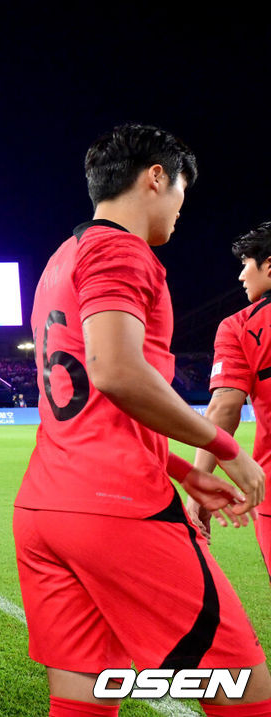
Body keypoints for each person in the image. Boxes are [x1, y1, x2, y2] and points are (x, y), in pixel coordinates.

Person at [13, 123, 270, 715]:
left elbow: (90, 405)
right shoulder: (120, 248)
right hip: (116, 506)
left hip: (46, 506)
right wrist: (227, 451)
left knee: (84, 698)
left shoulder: (63, 255)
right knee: (244, 690)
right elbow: (116, 372)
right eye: (182, 190)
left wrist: (182, 467)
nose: (181, 208)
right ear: (157, 176)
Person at [188, 220, 271, 581]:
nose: (241, 276)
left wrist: (198, 483)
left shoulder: (241, 325)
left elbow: (224, 408)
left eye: (246, 264)